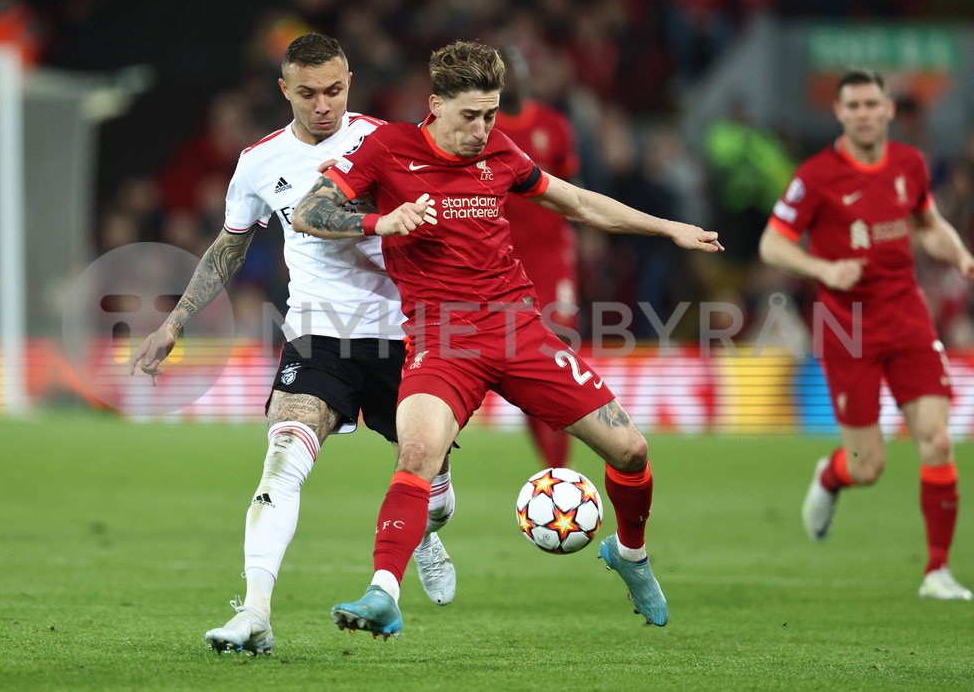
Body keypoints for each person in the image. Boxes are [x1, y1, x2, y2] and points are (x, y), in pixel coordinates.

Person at [291, 40, 723, 638]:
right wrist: (379, 221)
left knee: (632, 452)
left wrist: (668, 227)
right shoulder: (389, 148)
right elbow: (308, 211)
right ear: (435, 104)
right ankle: (382, 592)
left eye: (491, 113)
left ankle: (630, 554)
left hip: (520, 331)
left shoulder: (498, 148)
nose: (483, 128)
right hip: (442, 341)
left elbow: (573, 201)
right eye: (470, 115)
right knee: (415, 455)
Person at [127, 34, 459, 656]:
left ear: (350, 83)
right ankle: (254, 612)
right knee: (283, 457)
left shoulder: (387, 140)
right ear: (285, 91)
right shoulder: (257, 162)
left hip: (402, 335)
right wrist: (176, 321)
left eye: (334, 90)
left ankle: (426, 532)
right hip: (316, 336)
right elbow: (229, 246)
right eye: (307, 93)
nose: (323, 105)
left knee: (436, 487)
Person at [758, 67, 974, 601]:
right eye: (852, 105)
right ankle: (832, 477)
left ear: (888, 110)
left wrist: (961, 254)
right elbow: (772, 245)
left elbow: (928, 226)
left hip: (907, 317)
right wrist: (825, 270)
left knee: (937, 439)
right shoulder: (816, 175)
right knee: (868, 465)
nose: (863, 113)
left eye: (872, 104)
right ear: (839, 112)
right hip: (846, 329)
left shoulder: (908, 165)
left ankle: (936, 572)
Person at [494, 45, 580, 469]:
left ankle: (559, 471)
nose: (512, 78)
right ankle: (553, 467)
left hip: (553, 260)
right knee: (525, 369)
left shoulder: (554, 125)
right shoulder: (482, 132)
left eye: (517, 69)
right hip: (505, 265)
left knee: (557, 355)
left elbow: (571, 186)